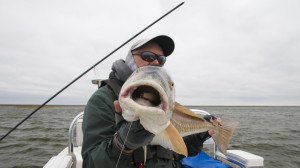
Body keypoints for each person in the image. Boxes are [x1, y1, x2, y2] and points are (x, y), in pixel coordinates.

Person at [81, 35, 218, 168]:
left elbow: (177, 150)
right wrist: (122, 144)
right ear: (130, 59)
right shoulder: (103, 99)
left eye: (161, 59)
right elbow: (92, 162)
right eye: (148, 56)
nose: (156, 62)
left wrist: (200, 135)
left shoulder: (163, 101)